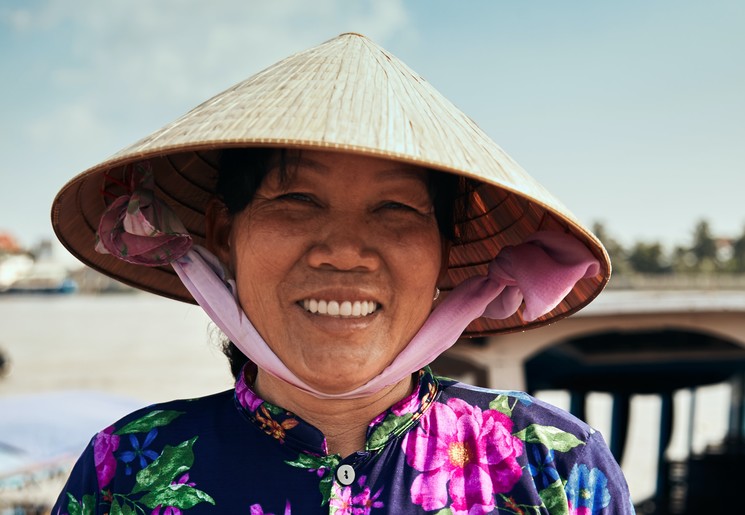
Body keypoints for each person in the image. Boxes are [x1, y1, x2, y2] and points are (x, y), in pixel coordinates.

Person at [51, 33, 634, 514]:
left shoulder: (553, 465)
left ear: (443, 248)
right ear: (224, 232)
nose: (345, 251)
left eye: (396, 209)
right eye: (298, 199)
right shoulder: (124, 470)